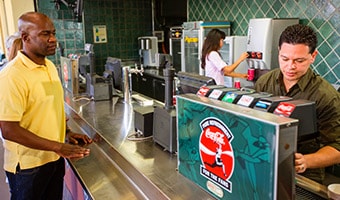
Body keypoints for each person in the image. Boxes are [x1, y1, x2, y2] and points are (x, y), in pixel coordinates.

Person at [0, 11, 92, 199]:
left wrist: (66, 133)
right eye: (45, 34)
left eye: (53, 33)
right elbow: (9, 130)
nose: (53, 40)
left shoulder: (48, 66)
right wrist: (57, 147)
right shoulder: (11, 76)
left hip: (53, 159)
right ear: (25, 37)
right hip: (28, 167)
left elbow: (50, 108)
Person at [254, 24, 340, 183]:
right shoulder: (264, 83)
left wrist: (306, 161)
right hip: (264, 164)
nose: (290, 67)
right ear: (279, 51)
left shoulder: (326, 96)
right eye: (284, 59)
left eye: (299, 60)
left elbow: (336, 147)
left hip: (304, 176)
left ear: (313, 56)